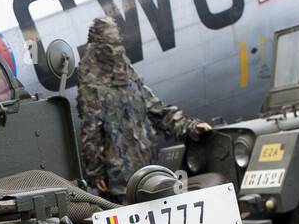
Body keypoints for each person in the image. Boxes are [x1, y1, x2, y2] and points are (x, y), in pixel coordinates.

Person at [76, 16, 211, 199]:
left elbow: (158, 112)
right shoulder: (92, 86)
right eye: (110, 42)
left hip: (148, 172)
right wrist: (96, 173)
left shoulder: (128, 77)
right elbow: (91, 134)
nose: (115, 48)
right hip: (118, 183)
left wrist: (190, 127)